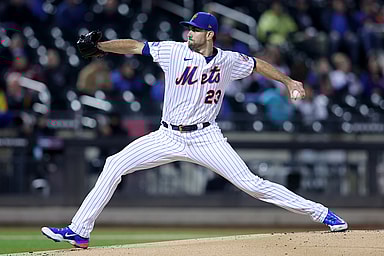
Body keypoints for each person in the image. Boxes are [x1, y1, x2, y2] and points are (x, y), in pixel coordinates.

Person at [41, 12, 348, 249]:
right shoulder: (173, 51)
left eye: (196, 29)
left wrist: (289, 81)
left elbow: (256, 64)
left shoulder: (227, 60)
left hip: (206, 136)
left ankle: (321, 213)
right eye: (189, 28)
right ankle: (79, 231)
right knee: (114, 164)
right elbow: (136, 46)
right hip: (167, 135)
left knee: (252, 184)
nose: (189, 33)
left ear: (210, 34)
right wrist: (101, 47)